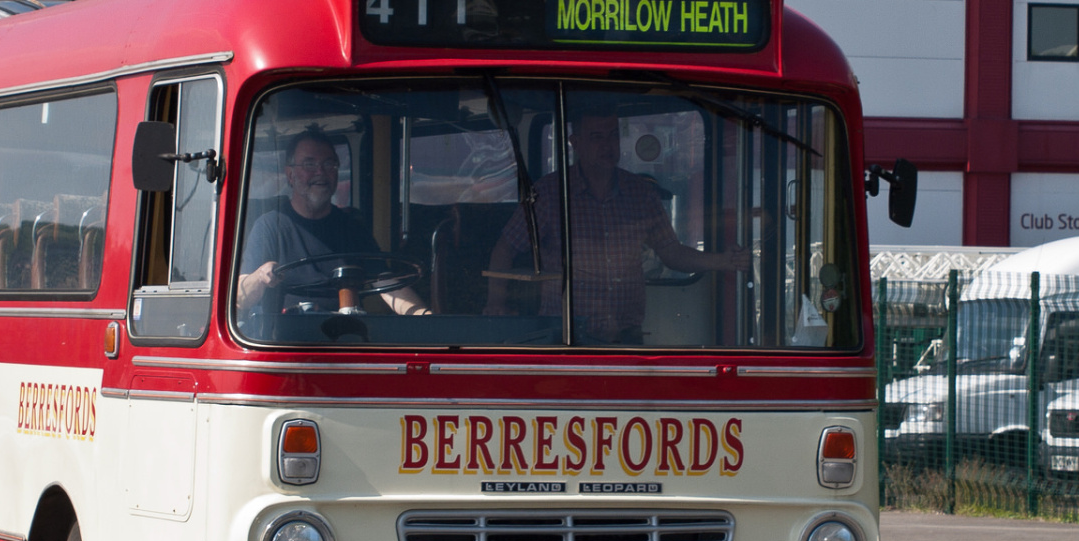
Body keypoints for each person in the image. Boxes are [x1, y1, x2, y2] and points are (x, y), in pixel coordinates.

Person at [485, 110, 746, 343]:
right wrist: (495, 303)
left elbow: (671, 252)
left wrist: (723, 262)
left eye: (612, 136)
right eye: (597, 137)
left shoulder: (641, 194)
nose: (607, 146)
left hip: (627, 337)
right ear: (576, 143)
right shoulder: (549, 193)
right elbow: (505, 247)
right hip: (567, 339)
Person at [237, 129, 429, 316]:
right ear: (290, 175)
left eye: (329, 164)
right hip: (286, 342)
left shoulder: (352, 228)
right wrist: (260, 276)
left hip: (345, 338)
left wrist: (427, 318)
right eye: (309, 164)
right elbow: (240, 298)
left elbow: (386, 284)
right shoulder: (270, 226)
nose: (320, 172)